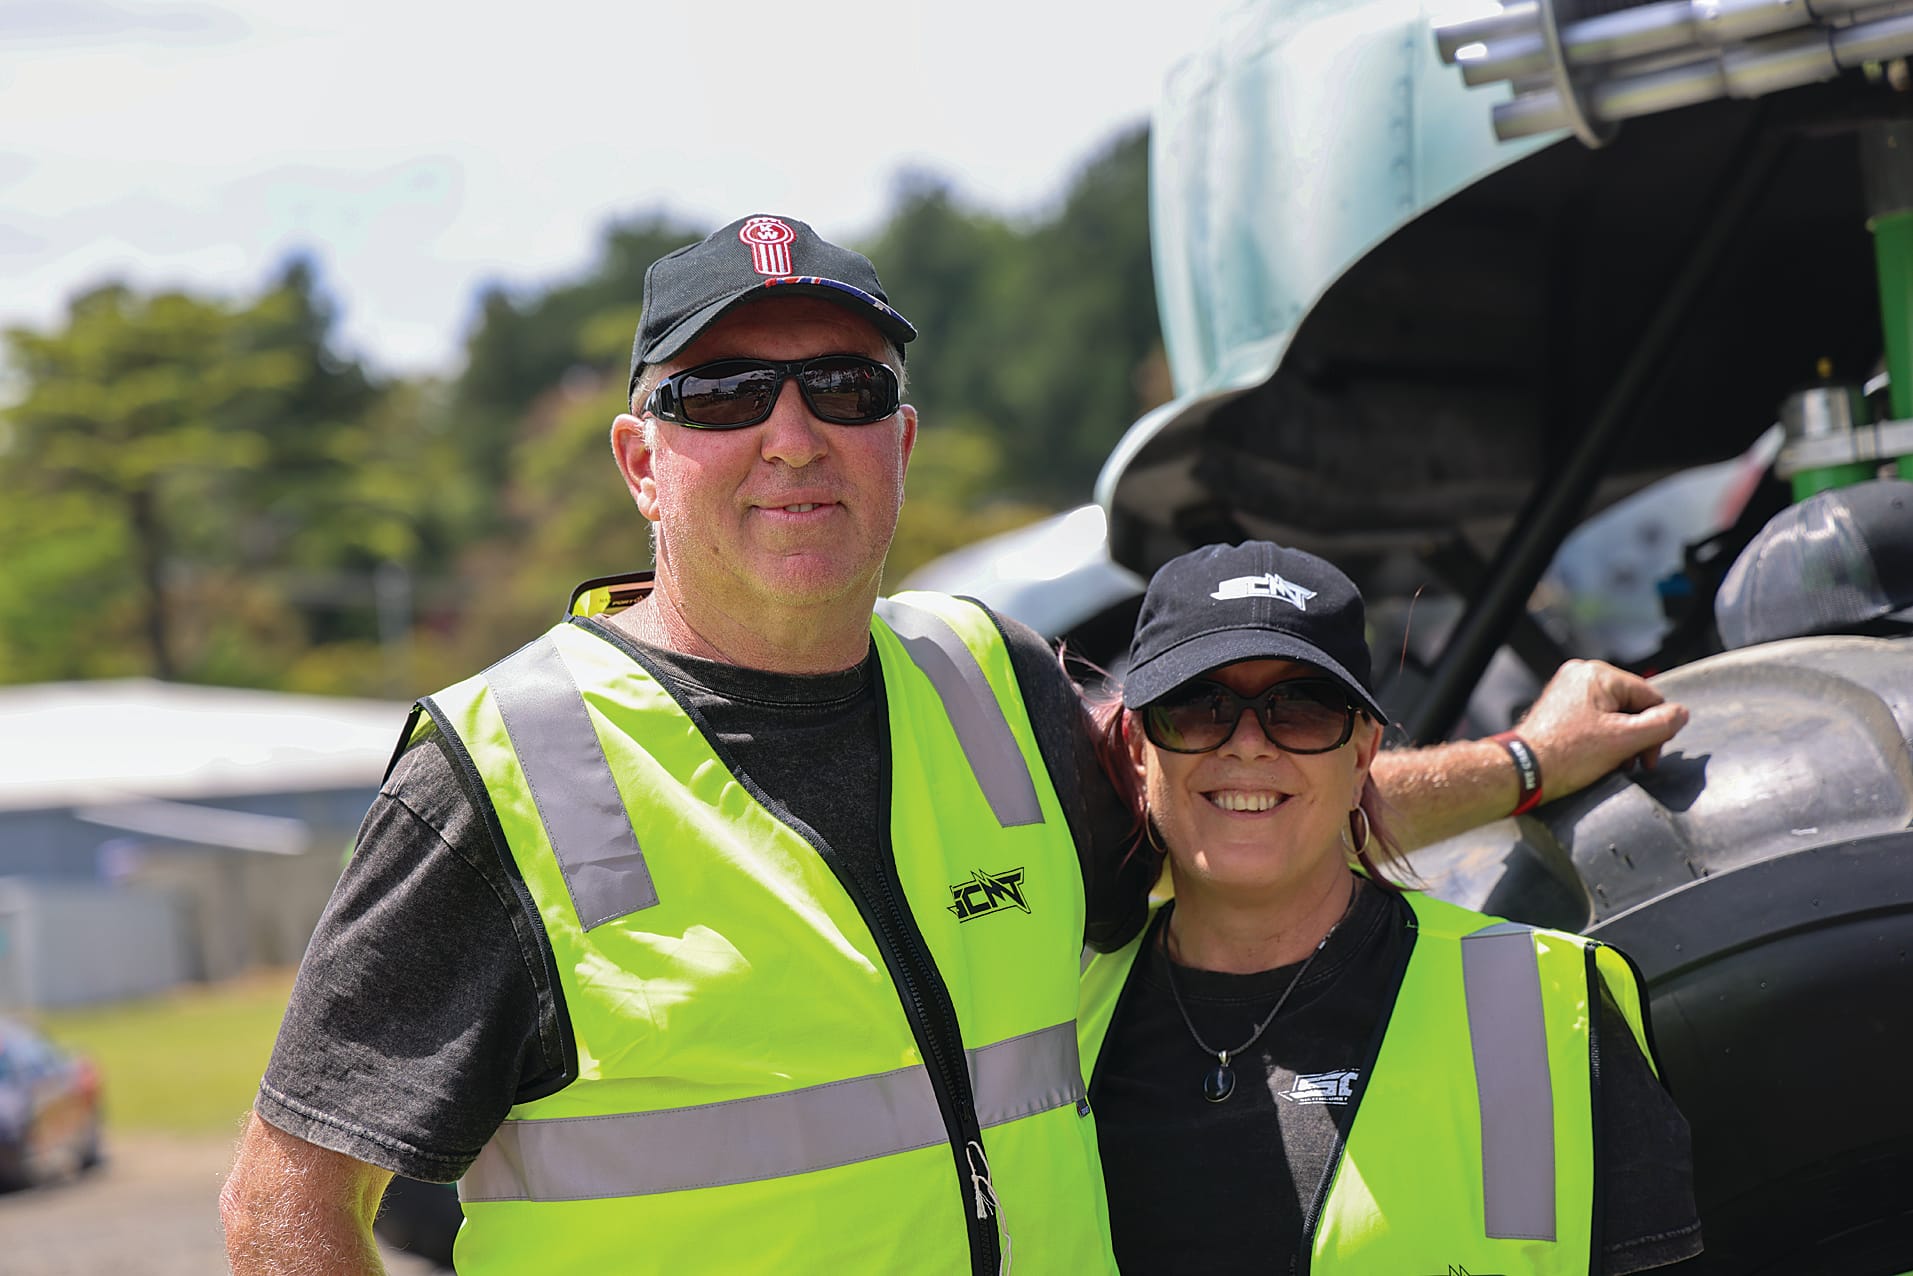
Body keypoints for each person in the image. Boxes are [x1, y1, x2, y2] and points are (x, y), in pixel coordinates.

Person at [219, 215, 1688, 1275]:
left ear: (900, 444)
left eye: (843, 388)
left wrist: (1521, 764)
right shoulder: (506, 766)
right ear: (641, 461)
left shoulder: (986, 680)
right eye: (723, 395)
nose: (793, 435)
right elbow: (287, 1201)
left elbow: (1245, 804)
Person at [1079, 540, 1703, 1274]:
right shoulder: (1053, 1021)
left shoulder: (1526, 1009)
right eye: (1197, 706)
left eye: (1301, 709)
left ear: (1361, 753)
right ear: (1138, 746)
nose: (1247, 745)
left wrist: (1526, 762)